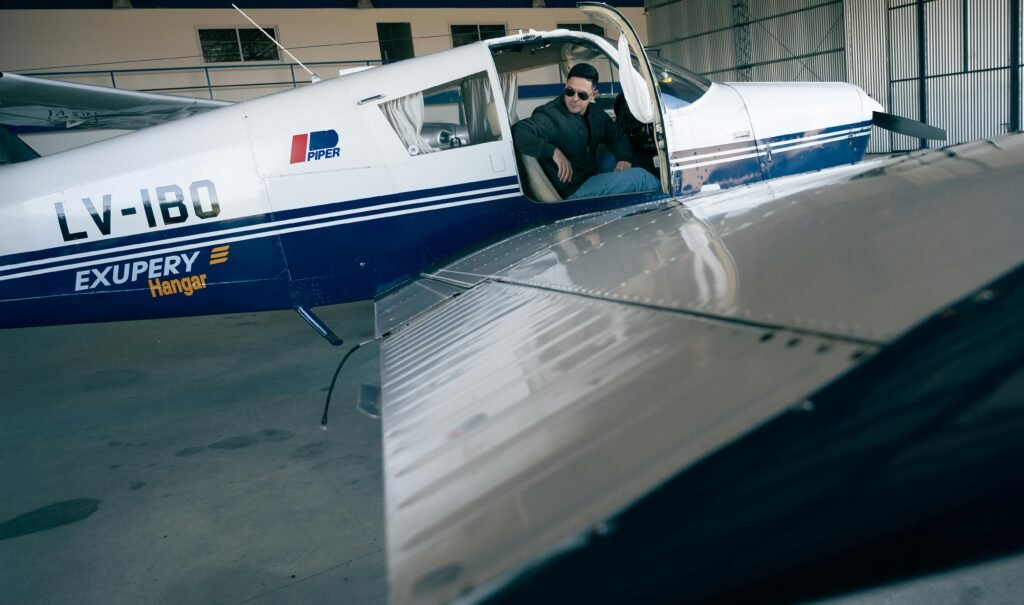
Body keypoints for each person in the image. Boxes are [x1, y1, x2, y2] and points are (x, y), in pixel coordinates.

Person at [512, 62, 660, 200]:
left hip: (588, 171)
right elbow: (519, 131)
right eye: (569, 91)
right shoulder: (550, 115)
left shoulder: (595, 113)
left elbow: (616, 135)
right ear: (565, 87)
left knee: (617, 157)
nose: (574, 99)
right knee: (642, 177)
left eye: (582, 95)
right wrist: (553, 151)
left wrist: (624, 157)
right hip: (573, 187)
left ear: (593, 95)